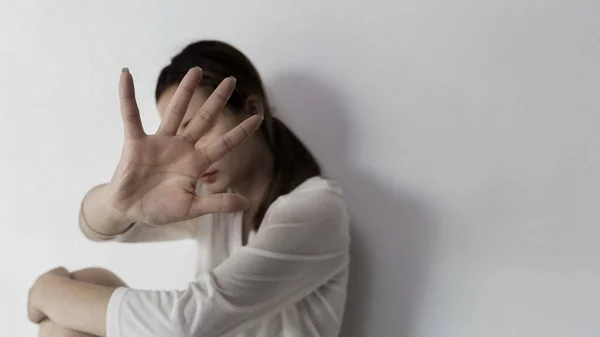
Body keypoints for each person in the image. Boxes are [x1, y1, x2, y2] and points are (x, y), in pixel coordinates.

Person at [27, 40, 350, 337]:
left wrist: (44, 289)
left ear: (252, 111)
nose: (192, 152)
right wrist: (118, 200)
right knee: (88, 283)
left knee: (65, 311)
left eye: (201, 126)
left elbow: (186, 324)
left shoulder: (316, 207)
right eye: (180, 137)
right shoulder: (214, 198)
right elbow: (98, 229)